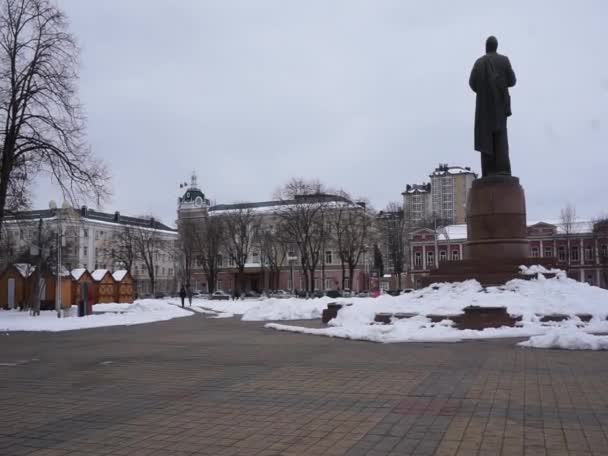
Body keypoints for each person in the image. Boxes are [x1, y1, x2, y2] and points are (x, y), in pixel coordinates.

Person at [469, 36, 517, 177]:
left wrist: (483, 91)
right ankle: (503, 171)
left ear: (486, 47)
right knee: (501, 138)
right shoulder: (504, 60)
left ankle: (488, 172)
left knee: (485, 140)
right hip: (500, 107)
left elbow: (472, 83)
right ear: (496, 47)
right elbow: (512, 81)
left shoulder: (479, 63)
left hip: (484, 110)